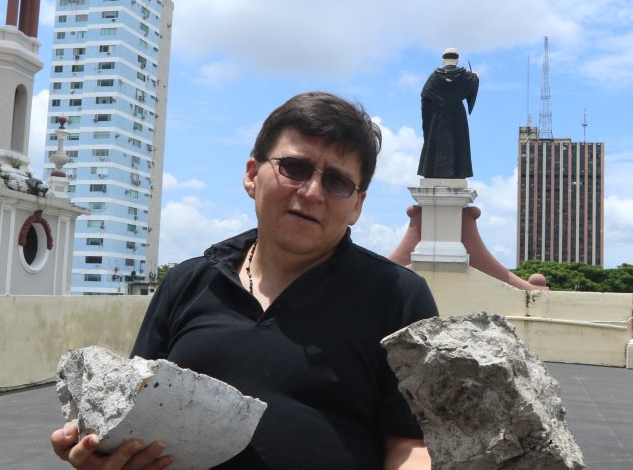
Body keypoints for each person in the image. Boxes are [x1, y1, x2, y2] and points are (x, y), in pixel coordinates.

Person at [52, 92, 438, 469]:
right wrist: (103, 452)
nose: (312, 192)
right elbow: (133, 410)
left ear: (357, 205)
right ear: (253, 175)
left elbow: (411, 445)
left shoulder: (398, 296)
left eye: (337, 182)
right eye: (295, 168)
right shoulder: (188, 281)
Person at [417, 48, 479, 179]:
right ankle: (458, 172)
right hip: (457, 115)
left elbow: (425, 99)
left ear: (443, 60)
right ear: (457, 60)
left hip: (437, 117)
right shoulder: (466, 76)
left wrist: (427, 122)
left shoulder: (434, 77)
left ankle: (432, 171)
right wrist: (475, 77)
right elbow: (473, 81)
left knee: (435, 142)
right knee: (458, 142)